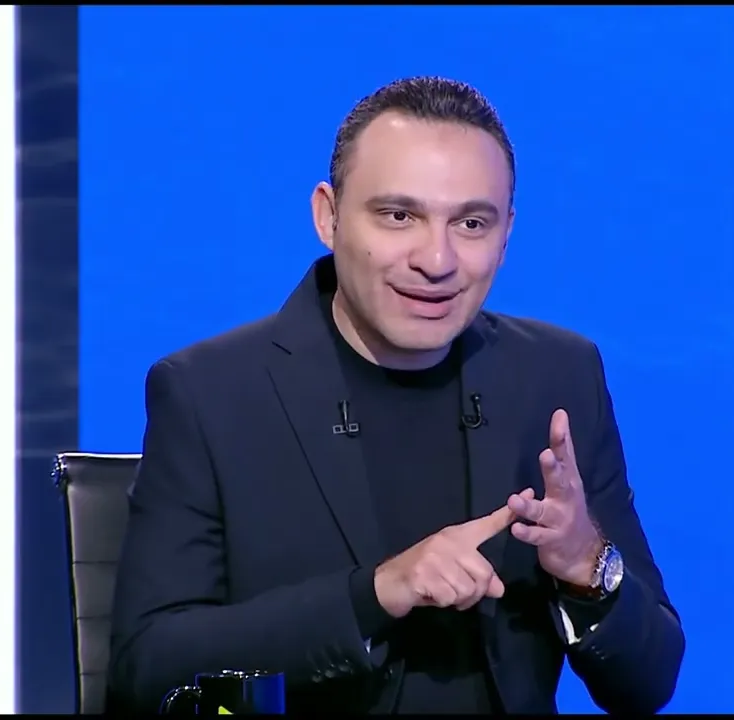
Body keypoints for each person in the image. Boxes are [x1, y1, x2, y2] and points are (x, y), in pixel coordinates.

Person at [108, 76, 685, 715]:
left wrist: (587, 567)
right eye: (399, 216)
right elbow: (146, 670)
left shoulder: (557, 376)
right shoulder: (211, 393)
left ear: (506, 235)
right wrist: (375, 595)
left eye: (471, 223)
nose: (436, 260)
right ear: (328, 216)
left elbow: (648, 683)